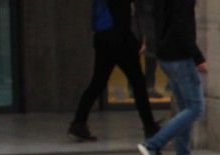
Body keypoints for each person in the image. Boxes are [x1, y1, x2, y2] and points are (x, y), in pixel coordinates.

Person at [67, 0, 162, 143]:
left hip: (103, 39)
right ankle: (150, 127)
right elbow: (122, 25)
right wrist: (136, 46)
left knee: (97, 83)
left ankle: (78, 124)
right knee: (138, 84)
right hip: (119, 43)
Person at [137, 0, 208, 155]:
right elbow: (181, 26)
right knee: (196, 108)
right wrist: (198, 58)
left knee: (185, 108)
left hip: (166, 55)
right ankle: (153, 145)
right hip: (180, 56)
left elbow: (155, 19)